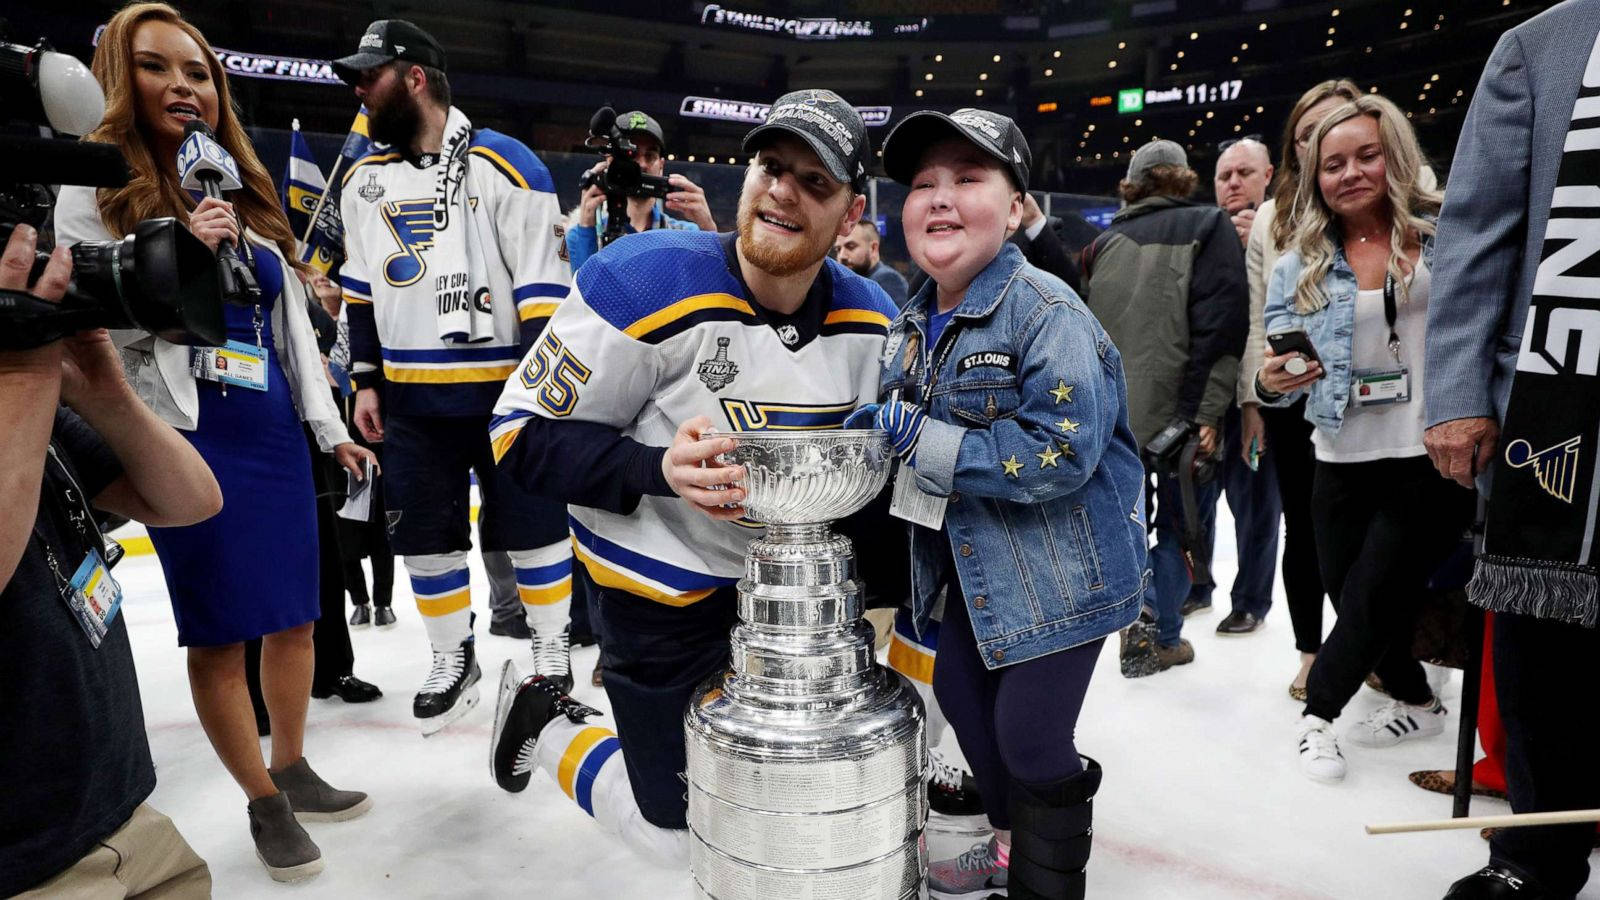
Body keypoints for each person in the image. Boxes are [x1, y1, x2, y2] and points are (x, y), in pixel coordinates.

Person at [486, 89, 894, 865]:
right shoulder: (639, 282)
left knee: (784, 809)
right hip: (658, 601)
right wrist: (656, 468)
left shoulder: (874, 317)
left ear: (850, 214)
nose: (783, 190)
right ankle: (549, 726)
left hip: (796, 612)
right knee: (677, 836)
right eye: (773, 167)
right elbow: (519, 437)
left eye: (815, 182)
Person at [54, 3, 375, 881]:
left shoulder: (233, 178)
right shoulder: (90, 187)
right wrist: (178, 257)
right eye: (159, 68)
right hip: (183, 435)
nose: (184, 87)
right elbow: (92, 335)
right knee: (224, 629)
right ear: (123, 76)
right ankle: (262, 801)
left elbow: (291, 331)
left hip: (269, 428)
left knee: (298, 615)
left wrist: (329, 427)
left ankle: (294, 764)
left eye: (198, 72)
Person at [859, 108, 1147, 900]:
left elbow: (1061, 451)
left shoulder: (1046, 309)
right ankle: (1016, 838)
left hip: (1063, 571)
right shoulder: (915, 319)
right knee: (956, 693)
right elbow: (900, 421)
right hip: (977, 568)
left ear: (1020, 208)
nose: (941, 198)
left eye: (969, 178)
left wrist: (924, 441)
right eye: (923, 184)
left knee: (1029, 733)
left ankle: (1048, 883)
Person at [333, 18, 577, 729]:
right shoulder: (363, 180)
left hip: (506, 390)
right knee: (422, 535)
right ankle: (451, 654)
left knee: (533, 527)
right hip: (410, 401)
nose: (358, 90)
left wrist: (533, 398)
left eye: (369, 76)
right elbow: (359, 289)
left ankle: (552, 655)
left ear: (414, 79)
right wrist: (366, 380)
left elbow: (542, 292)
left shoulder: (509, 164)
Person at [1422, 2, 1600, 895]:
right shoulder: (1545, 45)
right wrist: (1456, 392)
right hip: (1569, 417)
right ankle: (1538, 858)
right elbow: (1478, 229)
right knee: (1547, 650)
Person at [1254, 93, 1473, 785]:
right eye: (1332, 164)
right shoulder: (1299, 262)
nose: (1349, 173)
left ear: (1395, 156)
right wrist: (1271, 383)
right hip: (1340, 452)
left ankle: (1317, 719)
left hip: (1430, 451)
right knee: (1356, 599)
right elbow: (1276, 367)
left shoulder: (1448, 235)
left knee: (1377, 590)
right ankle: (1416, 699)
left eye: (1366, 156)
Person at [0, 226, 219, 898]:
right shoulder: (19, 388)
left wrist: (106, 395)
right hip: (26, 862)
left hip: (123, 815)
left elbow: (190, 500)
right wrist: (25, 372)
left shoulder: (24, 400)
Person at [1079, 140, 1248, 676]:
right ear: (1180, 177)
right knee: (1182, 528)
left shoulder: (1102, 242)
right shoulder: (1210, 224)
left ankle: (1139, 622)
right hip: (1181, 416)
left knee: (1131, 524)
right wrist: (1205, 414)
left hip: (1115, 418)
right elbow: (1221, 326)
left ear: (1132, 183)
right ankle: (1157, 630)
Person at [1244, 79, 1360, 700]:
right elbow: (1258, 320)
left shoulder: (1393, 201)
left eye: (1333, 125)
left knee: (1368, 532)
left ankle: (1373, 647)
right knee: (1305, 528)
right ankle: (1313, 654)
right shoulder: (1272, 215)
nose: (1320, 140)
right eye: (1307, 133)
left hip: (1374, 398)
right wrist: (1252, 400)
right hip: (1293, 395)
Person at [1185, 136, 1283, 636]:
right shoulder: (1202, 232)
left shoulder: (1288, 226)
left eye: (1244, 173)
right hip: (1208, 392)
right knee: (1195, 499)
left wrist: (1258, 245)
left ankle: (1251, 601)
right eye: (1224, 176)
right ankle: (1196, 587)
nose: (1233, 183)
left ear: (1269, 174)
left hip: (1258, 391)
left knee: (1255, 501)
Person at [566, 110, 715, 272]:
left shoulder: (687, 234)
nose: (642, 164)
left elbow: (714, 285)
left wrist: (709, 229)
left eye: (650, 155)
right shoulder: (580, 235)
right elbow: (578, 294)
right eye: (632, 154)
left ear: (661, 166)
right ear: (610, 162)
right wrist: (587, 228)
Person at [835, 218, 910, 306]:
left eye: (851, 246)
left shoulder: (888, 278)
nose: (842, 256)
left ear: (873, 248)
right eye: (838, 249)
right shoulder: (855, 282)